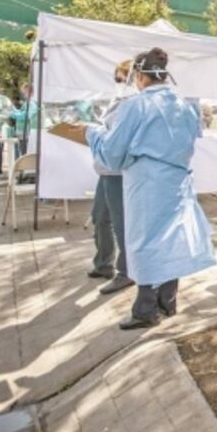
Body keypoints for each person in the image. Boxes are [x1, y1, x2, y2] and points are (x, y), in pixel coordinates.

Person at [86, 48, 215, 329]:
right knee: (171, 240)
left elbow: (112, 154)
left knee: (145, 243)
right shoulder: (185, 104)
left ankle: (145, 309)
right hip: (177, 181)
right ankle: (167, 301)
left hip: (147, 184)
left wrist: (92, 134)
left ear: (140, 76)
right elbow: (192, 138)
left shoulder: (136, 105)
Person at [88, 61, 137, 296]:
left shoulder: (134, 104)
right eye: (117, 79)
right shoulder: (116, 101)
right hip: (105, 169)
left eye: (123, 79)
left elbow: (120, 137)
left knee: (121, 223)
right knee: (100, 217)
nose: (119, 84)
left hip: (119, 171)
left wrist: (97, 133)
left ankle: (127, 272)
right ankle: (103, 263)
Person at [10, 83, 39, 157]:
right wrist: (13, 110)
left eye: (24, 92)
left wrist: (12, 114)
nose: (23, 94)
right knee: (22, 153)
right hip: (24, 133)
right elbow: (23, 112)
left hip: (26, 133)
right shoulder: (29, 102)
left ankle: (23, 168)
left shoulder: (32, 103)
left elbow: (26, 116)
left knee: (24, 155)